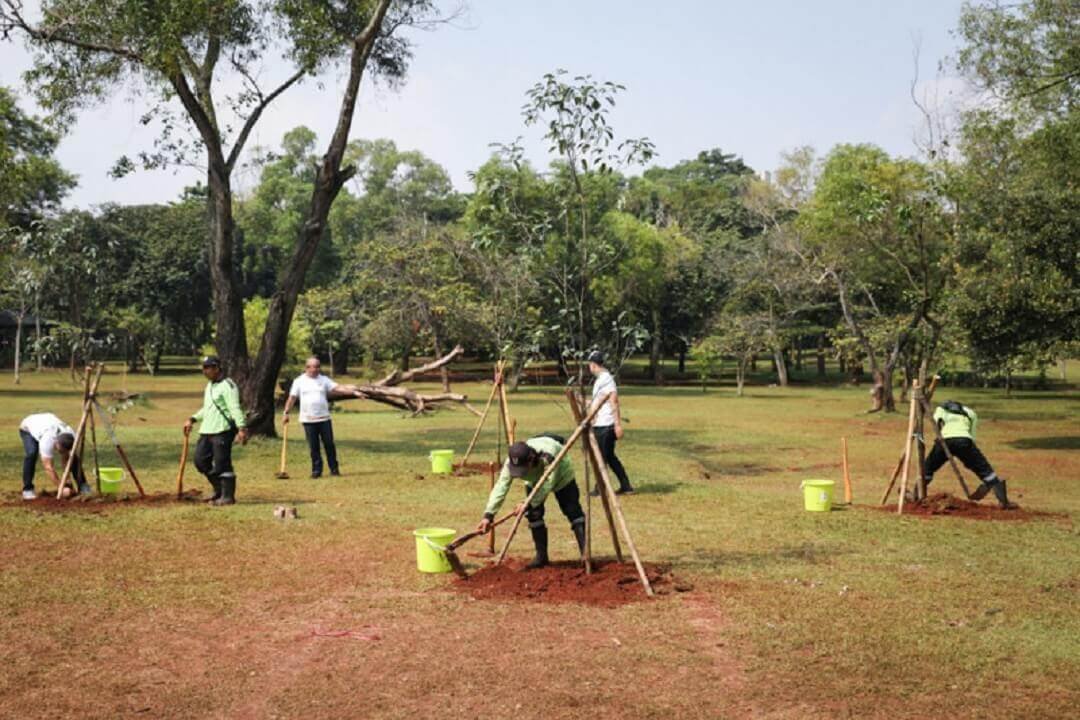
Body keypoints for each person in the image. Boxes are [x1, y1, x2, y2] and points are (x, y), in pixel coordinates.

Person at [476, 435, 585, 569]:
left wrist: (528, 503)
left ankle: (586, 555)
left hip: (561, 474)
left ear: (531, 460)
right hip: (534, 481)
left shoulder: (548, 455)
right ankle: (541, 557)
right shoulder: (511, 462)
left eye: (522, 469)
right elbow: (501, 486)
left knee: (572, 511)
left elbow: (547, 483)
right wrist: (488, 515)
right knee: (534, 514)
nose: (520, 474)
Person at [923, 399, 1014, 508]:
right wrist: (969, 459)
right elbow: (971, 436)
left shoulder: (941, 409)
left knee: (928, 467)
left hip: (944, 441)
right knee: (984, 468)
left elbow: (936, 424)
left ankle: (916, 494)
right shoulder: (971, 413)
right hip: (964, 441)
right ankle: (1003, 501)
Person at [183, 356, 249, 506]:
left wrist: (242, 428)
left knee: (222, 464)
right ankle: (219, 489)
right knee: (200, 461)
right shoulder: (210, 386)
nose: (205, 371)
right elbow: (208, 408)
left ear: (217, 368)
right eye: (204, 368)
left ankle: (227, 497)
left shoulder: (228, 385)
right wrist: (192, 419)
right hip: (207, 430)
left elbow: (234, 408)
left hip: (222, 430)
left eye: (208, 368)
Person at [282, 357, 361, 478]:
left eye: (318, 367)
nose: (315, 369)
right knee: (314, 447)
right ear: (307, 368)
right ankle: (316, 470)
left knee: (329, 444)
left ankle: (334, 469)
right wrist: (286, 412)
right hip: (308, 419)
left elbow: (338, 388)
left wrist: (354, 392)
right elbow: (292, 398)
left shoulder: (324, 380)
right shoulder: (299, 381)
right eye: (313, 367)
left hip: (324, 419)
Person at [587, 351, 633, 495]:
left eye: (589, 364)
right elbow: (597, 402)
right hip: (599, 424)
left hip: (606, 425)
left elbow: (614, 401)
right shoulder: (600, 380)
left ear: (593, 365)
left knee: (602, 457)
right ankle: (626, 486)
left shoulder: (607, 380)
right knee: (609, 457)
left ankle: (600, 488)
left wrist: (617, 425)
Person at [18, 413, 92, 500]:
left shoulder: (71, 435)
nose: (60, 452)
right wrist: (60, 487)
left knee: (73, 457)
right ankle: (27, 489)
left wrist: (67, 481)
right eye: (59, 450)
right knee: (31, 454)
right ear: (56, 442)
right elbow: (48, 467)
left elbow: (67, 458)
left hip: (48, 420)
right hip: (28, 427)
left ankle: (82, 485)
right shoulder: (47, 440)